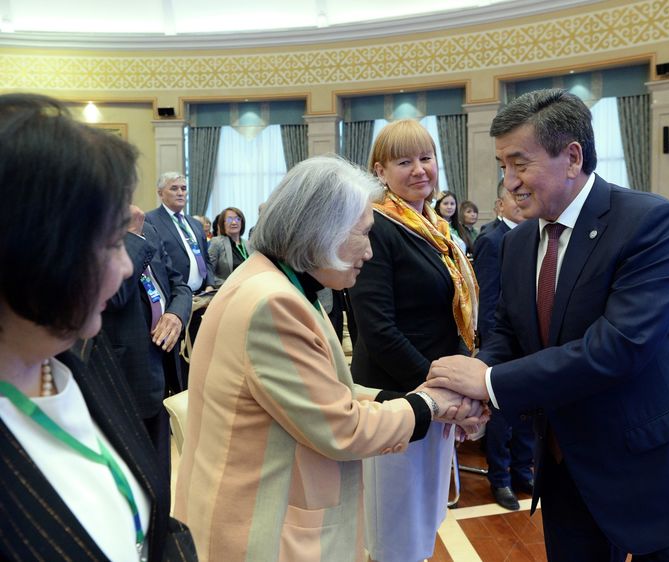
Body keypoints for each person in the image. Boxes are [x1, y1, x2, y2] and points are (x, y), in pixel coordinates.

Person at [427, 89, 669, 561]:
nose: (509, 182)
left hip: (661, 471)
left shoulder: (651, 222)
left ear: (572, 157)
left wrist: (489, 383)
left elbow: (618, 347)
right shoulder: (517, 244)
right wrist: (472, 390)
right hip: (569, 471)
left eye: (520, 164)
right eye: (502, 166)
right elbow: (508, 334)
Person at [173, 155, 485, 562]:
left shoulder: (278, 283)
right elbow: (342, 428)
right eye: (363, 234)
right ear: (322, 231)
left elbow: (330, 389)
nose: (369, 252)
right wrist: (431, 404)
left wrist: (416, 400)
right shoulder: (274, 303)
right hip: (260, 528)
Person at [0, 93, 195, 561]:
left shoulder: (78, 353)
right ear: (35, 253)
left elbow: (155, 523)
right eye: (112, 244)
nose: (126, 267)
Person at [348, 119, 479, 562]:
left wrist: (454, 388)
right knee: (393, 528)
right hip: (398, 396)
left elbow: (455, 316)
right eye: (404, 162)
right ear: (380, 171)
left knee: (423, 518)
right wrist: (440, 392)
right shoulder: (376, 225)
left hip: (437, 392)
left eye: (426, 158)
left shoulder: (436, 227)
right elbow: (378, 330)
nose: (420, 169)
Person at [102, 204, 192, 486]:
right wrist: (131, 235)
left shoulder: (148, 231)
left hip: (163, 360)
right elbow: (114, 296)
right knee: (136, 478)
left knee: (161, 473)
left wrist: (176, 315)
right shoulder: (91, 234)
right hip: (128, 369)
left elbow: (180, 286)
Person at [472, 181, 534, 511]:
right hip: (502, 342)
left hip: (529, 340)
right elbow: (488, 297)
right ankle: (500, 478)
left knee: (527, 410)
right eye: (515, 195)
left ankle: (523, 471)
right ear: (500, 203)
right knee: (501, 415)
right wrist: (492, 346)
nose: (522, 200)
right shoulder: (492, 239)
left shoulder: (533, 234)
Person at [146, 172, 215, 294]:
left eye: (183, 188)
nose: (180, 193)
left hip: (202, 294)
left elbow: (206, 258)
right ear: (160, 193)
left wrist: (210, 284)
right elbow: (154, 264)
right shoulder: (150, 220)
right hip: (174, 295)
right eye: (174, 188)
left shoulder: (195, 223)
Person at [208, 206, 252, 286]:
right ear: (223, 223)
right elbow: (209, 272)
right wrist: (227, 285)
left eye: (237, 219)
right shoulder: (217, 242)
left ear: (242, 222)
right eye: (229, 219)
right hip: (228, 288)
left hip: (249, 286)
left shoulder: (249, 245)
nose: (234, 222)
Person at [434, 190, 471, 254]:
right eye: (445, 203)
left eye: (452, 204)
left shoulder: (460, 227)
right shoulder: (434, 226)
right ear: (438, 206)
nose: (449, 207)